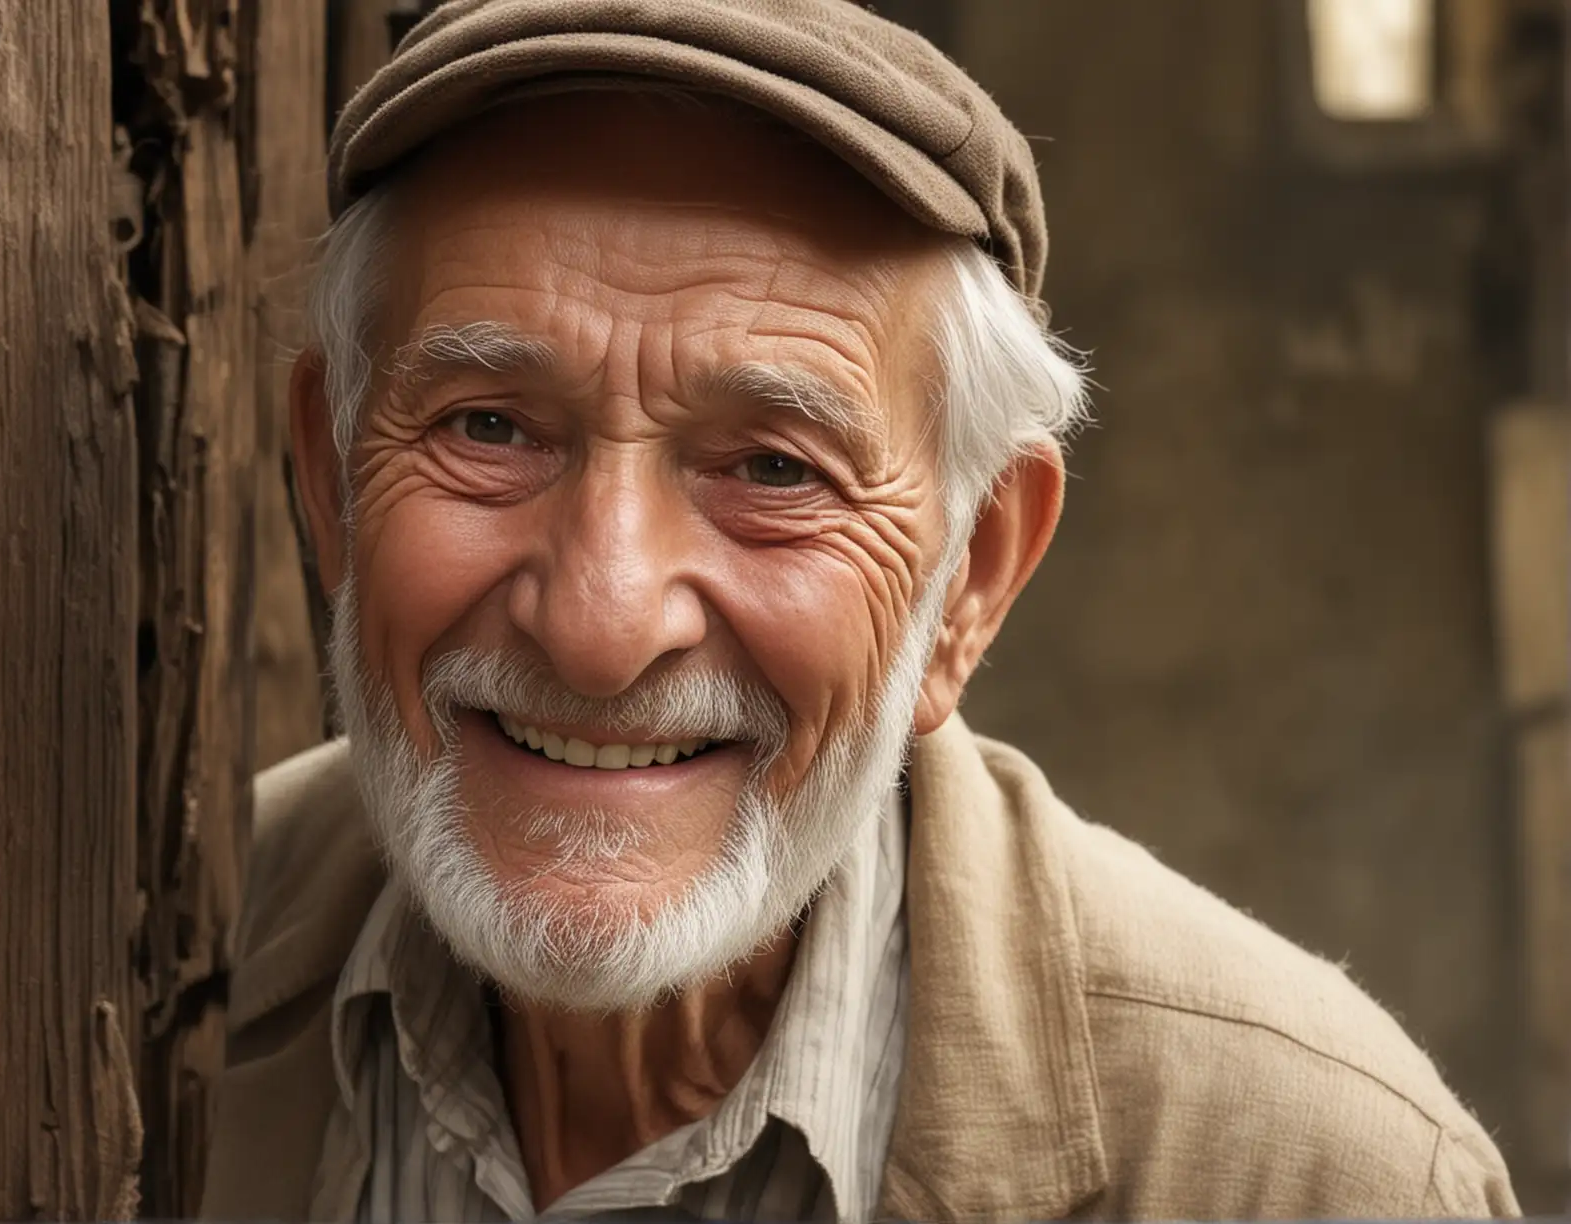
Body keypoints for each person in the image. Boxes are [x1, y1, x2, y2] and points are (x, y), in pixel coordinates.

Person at [201, 2, 1521, 1219]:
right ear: (331, 485)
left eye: (774, 469)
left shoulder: (1317, 1177)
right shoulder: (142, 974)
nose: (600, 625)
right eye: (489, 428)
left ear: (970, 579)